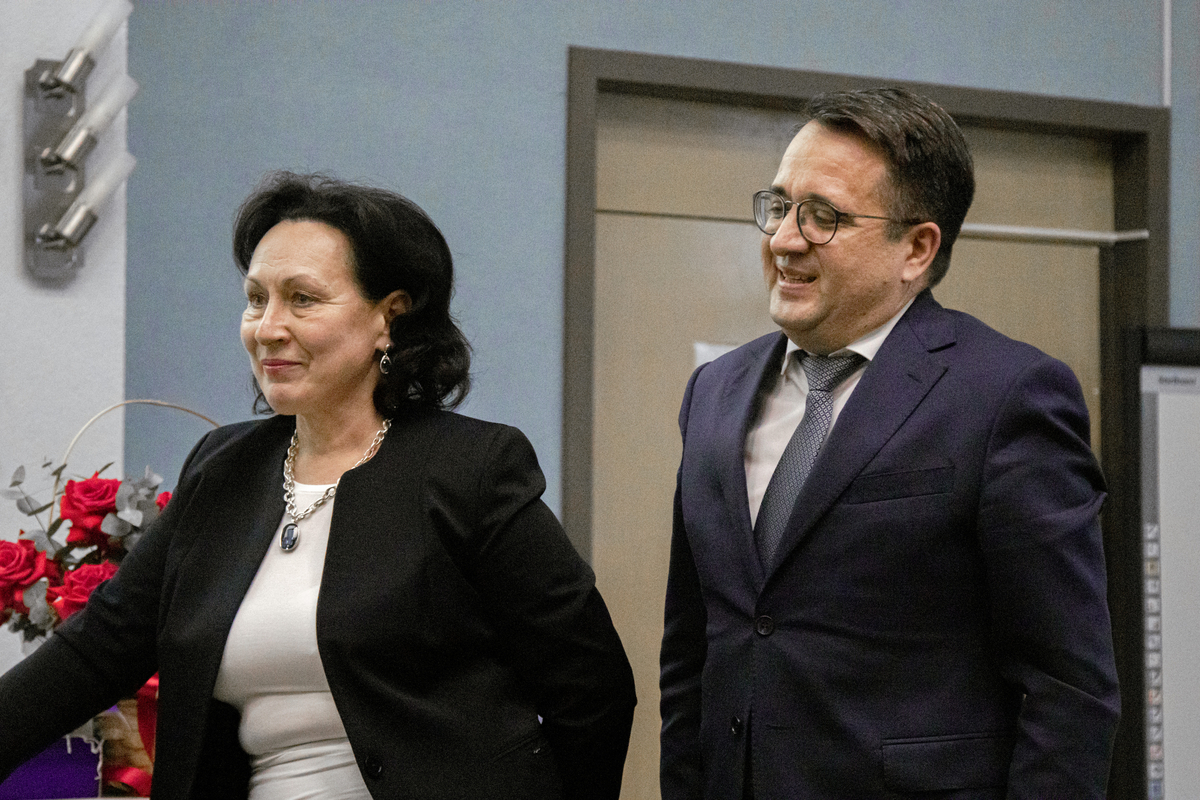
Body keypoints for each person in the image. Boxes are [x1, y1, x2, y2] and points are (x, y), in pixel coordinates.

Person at [0, 172, 636, 799]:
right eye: (256, 299)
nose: (268, 327)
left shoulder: (469, 468)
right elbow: (93, 655)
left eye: (302, 299)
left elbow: (591, 684)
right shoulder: (223, 470)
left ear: (390, 318)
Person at [659, 88, 1119, 800]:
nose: (783, 240)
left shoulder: (1006, 397)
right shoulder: (713, 393)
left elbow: (1068, 689)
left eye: (823, 216)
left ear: (916, 248)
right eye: (779, 206)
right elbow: (693, 653)